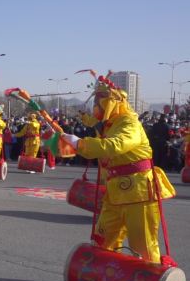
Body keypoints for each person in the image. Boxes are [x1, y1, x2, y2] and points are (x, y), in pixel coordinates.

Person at [61, 76, 175, 263]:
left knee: (143, 245)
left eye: (99, 102)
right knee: (102, 239)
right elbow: (96, 134)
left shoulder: (129, 123)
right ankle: (101, 276)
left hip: (139, 193)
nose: (96, 107)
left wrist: (79, 143)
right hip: (114, 193)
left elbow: (114, 145)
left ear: (111, 103)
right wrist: (78, 132)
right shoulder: (110, 125)